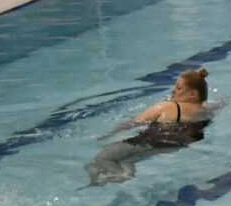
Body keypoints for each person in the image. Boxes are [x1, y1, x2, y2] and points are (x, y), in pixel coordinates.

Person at [87, 69, 222, 184]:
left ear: (192, 94)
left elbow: (133, 123)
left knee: (102, 158)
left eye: (179, 88)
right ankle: (126, 172)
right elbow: (219, 103)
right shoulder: (206, 111)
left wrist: (108, 134)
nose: (173, 91)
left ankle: (124, 174)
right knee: (126, 159)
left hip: (151, 141)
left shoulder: (167, 106)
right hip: (173, 146)